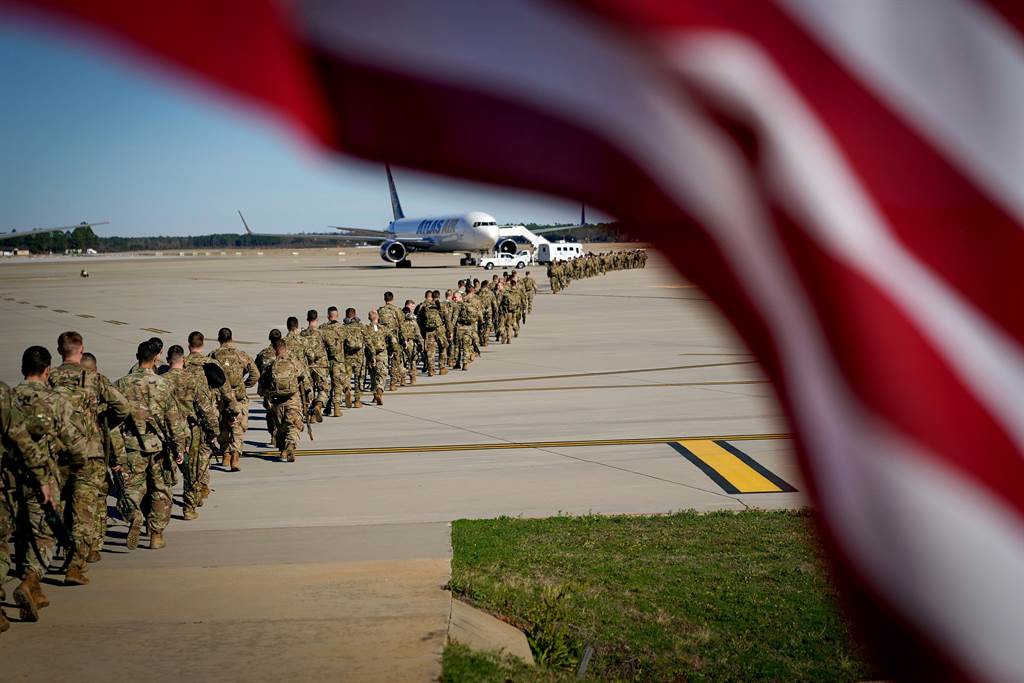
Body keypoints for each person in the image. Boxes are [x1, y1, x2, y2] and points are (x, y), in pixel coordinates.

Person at [11, 346, 89, 615]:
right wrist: (76, 465)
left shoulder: (10, 397)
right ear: (47, 371)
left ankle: (33, 591)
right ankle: (31, 579)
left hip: (9, 476)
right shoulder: (56, 401)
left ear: (23, 369)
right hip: (43, 477)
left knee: (17, 532)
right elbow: (74, 443)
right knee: (44, 532)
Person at [48, 331, 130, 581]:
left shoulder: (49, 377)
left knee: (60, 505)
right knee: (84, 510)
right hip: (88, 452)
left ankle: (59, 553)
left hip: (57, 452)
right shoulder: (94, 378)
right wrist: (101, 423)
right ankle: (76, 563)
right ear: (81, 349)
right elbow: (123, 406)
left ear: (59, 350)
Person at [115, 340, 189, 550]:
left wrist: (116, 450)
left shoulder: (121, 384)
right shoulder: (163, 384)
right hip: (159, 446)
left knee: (132, 487)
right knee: (160, 489)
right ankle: (156, 534)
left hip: (131, 445)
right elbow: (173, 420)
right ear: (156, 357)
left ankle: (134, 514)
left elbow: (112, 420)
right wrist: (179, 447)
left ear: (137, 357)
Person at [163, 345, 219, 519]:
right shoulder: (193, 380)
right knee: (191, 470)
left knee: (166, 470)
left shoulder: (161, 381)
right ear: (184, 360)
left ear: (168, 360)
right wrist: (213, 430)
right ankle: (189, 508)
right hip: (190, 430)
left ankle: (162, 507)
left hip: (166, 431)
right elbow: (206, 408)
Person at [183, 331, 231, 505]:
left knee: (187, 455)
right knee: (204, 452)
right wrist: (232, 409)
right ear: (202, 345)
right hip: (207, 416)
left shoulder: (181, 364)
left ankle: (191, 488)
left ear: (189, 345)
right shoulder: (211, 364)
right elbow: (225, 390)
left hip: (184, 419)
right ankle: (202, 485)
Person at [209, 327, 259, 471]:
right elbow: (255, 373)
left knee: (222, 425)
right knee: (238, 426)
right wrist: (245, 385)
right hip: (238, 396)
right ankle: (235, 455)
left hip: (220, 396)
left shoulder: (213, 356)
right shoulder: (241, 355)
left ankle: (225, 454)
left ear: (219, 339)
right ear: (231, 339)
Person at [260, 338, 306, 462]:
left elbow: (262, 385)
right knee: (293, 425)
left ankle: (282, 451)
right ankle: (290, 444)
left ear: (275, 350)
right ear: (285, 348)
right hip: (292, 400)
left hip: (276, 402)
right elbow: (305, 379)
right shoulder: (295, 363)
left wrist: (266, 397)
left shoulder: (270, 366)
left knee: (280, 427)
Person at [300, 310, 329, 422]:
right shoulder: (322, 333)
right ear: (317, 319)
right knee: (323, 388)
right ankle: (318, 405)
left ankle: (311, 414)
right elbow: (331, 346)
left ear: (307, 319)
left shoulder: (302, 334)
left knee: (309, 390)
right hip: (320, 365)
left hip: (307, 366)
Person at [256, 329, 284, 439]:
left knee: (270, 410)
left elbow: (255, 369)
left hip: (268, 388)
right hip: (283, 386)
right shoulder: (286, 352)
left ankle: (273, 432)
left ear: (269, 339)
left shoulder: (263, 353)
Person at [377, 292, 405, 391]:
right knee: (395, 360)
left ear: (384, 299)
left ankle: (381, 382)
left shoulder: (380, 311)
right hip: (394, 338)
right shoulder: (397, 310)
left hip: (383, 339)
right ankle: (393, 383)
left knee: (383, 359)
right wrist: (404, 339)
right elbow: (402, 326)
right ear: (392, 299)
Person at [320, 306, 345, 417]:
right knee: (337, 384)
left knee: (326, 384)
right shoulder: (342, 328)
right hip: (338, 360)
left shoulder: (322, 328)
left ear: (328, 316)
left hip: (325, 361)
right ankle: (337, 408)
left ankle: (326, 406)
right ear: (337, 315)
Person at [341, 309, 365, 408]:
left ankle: (347, 389)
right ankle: (357, 401)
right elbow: (367, 340)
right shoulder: (361, 327)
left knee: (347, 376)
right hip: (359, 356)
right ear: (355, 315)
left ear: (346, 316)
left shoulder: (343, 328)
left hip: (347, 356)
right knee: (358, 378)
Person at [363, 310, 388, 405]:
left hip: (370, 355)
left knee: (373, 375)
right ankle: (379, 391)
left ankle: (375, 395)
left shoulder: (365, 329)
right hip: (382, 354)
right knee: (381, 375)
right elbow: (392, 339)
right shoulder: (383, 328)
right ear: (377, 317)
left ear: (369, 318)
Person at [400, 307, 423, 385]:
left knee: (402, 361)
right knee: (412, 361)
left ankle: (402, 379)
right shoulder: (413, 322)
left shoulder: (400, 323)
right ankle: (412, 378)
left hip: (401, 343)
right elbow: (418, 334)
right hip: (411, 342)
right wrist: (421, 344)